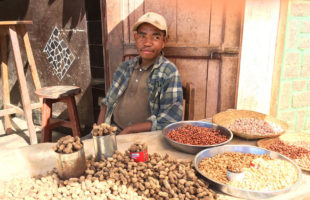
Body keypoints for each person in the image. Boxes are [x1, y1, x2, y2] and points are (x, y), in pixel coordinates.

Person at [97, 12, 183, 134]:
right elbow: (107, 103)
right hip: (113, 131)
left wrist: (130, 130)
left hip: (144, 139)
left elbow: (170, 120)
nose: (147, 43)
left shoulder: (169, 71)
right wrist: (99, 131)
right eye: (142, 36)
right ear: (136, 38)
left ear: (164, 41)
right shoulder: (125, 67)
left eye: (156, 37)